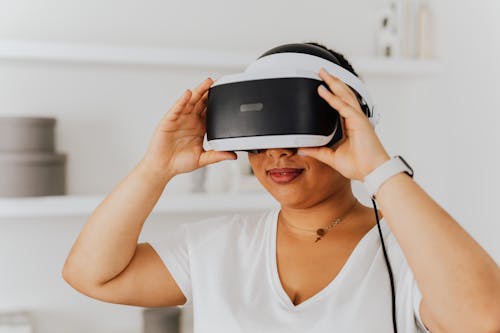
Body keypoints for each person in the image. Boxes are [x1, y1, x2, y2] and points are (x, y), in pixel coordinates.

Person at [62, 43, 500, 333]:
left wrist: (377, 168)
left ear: (347, 127)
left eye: (297, 131)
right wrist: (154, 168)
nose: (278, 153)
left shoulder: (411, 253)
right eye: (262, 136)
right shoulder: (219, 245)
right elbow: (90, 275)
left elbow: (485, 319)